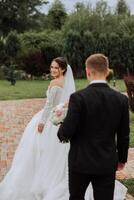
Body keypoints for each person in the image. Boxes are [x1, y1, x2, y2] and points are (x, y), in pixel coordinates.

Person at [0, 57, 75, 200]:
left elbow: (48, 105)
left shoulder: (54, 83)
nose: (53, 70)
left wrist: (41, 122)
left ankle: (39, 180)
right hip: (60, 121)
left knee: (39, 151)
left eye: (56, 68)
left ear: (63, 69)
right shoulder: (68, 83)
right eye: (52, 67)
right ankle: (54, 177)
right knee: (55, 153)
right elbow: (67, 102)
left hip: (49, 120)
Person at [58, 53, 130, 200]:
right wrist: (122, 159)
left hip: (80, 161)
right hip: (106, 161)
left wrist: (61, 127)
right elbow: (124, 135)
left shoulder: (78, 98)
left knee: (76, 197)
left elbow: (66, 133)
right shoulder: (121, 99)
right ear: (107, 71)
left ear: (87, 71)